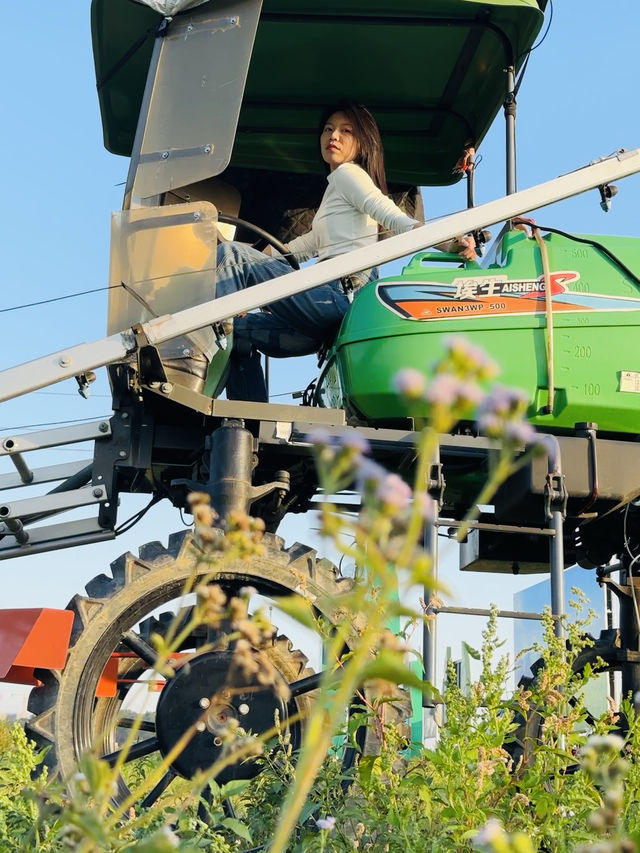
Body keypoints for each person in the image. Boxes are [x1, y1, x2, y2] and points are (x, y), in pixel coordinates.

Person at [214, 99, 475, 402]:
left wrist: (448, 242)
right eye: (328, 129)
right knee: (238, 334)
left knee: (231, 258)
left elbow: (391, 215)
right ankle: (247, 423)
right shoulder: (334, 193)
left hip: (335, 297)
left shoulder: (348, 175)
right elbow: (294, 251)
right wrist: (250, 261)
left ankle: (191, 358)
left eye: (345, 131)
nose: (333, 136)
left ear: (362, 143)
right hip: (318, 322)